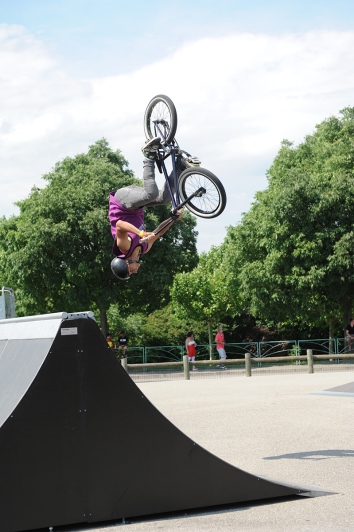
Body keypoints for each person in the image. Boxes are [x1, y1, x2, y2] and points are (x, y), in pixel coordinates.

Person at [109, 137, 200, 280]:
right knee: (165, 199)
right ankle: (180, 166)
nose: (136, 271)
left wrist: (140, 233)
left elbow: (120, 225)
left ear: (126, 264)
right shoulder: (144, 248)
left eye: (131, 271)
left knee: (151, 193)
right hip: (137, 207)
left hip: (122, 203)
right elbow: (158, 233)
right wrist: (173, 219)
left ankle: (148, 155)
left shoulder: (124, 247)